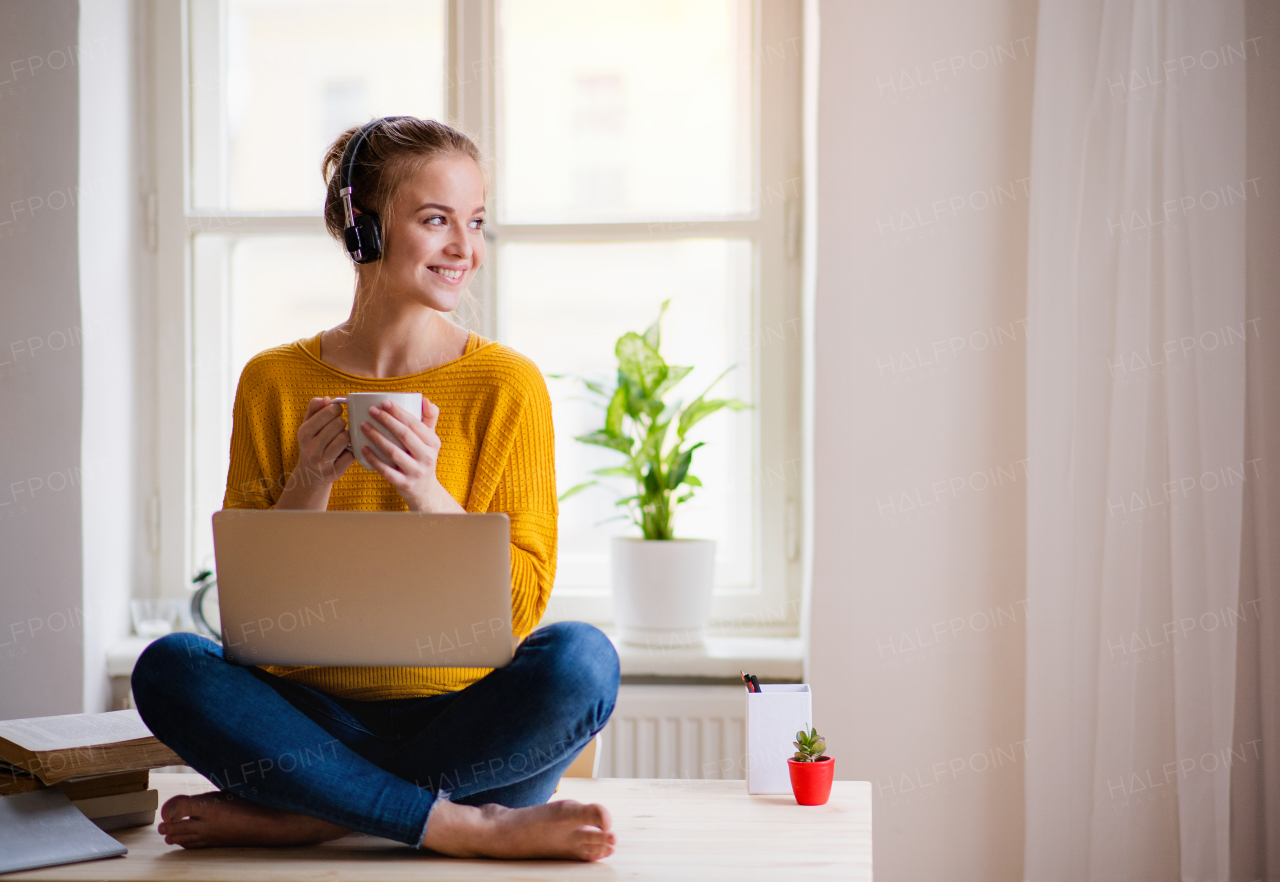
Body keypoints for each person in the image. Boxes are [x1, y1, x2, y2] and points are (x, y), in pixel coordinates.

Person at [131, 117, 620, 862]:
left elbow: (520, 610)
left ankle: (312, 817)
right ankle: (458, 823)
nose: (466, 249)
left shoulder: (506, 386)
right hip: (309, 725)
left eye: (476, 222)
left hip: (470, 728)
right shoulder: (274, 382)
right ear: (362, 228)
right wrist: (310, 482)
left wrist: (426, 491)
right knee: (169, 669)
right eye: (436, 220)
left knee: (583, 660)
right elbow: (253, 618)